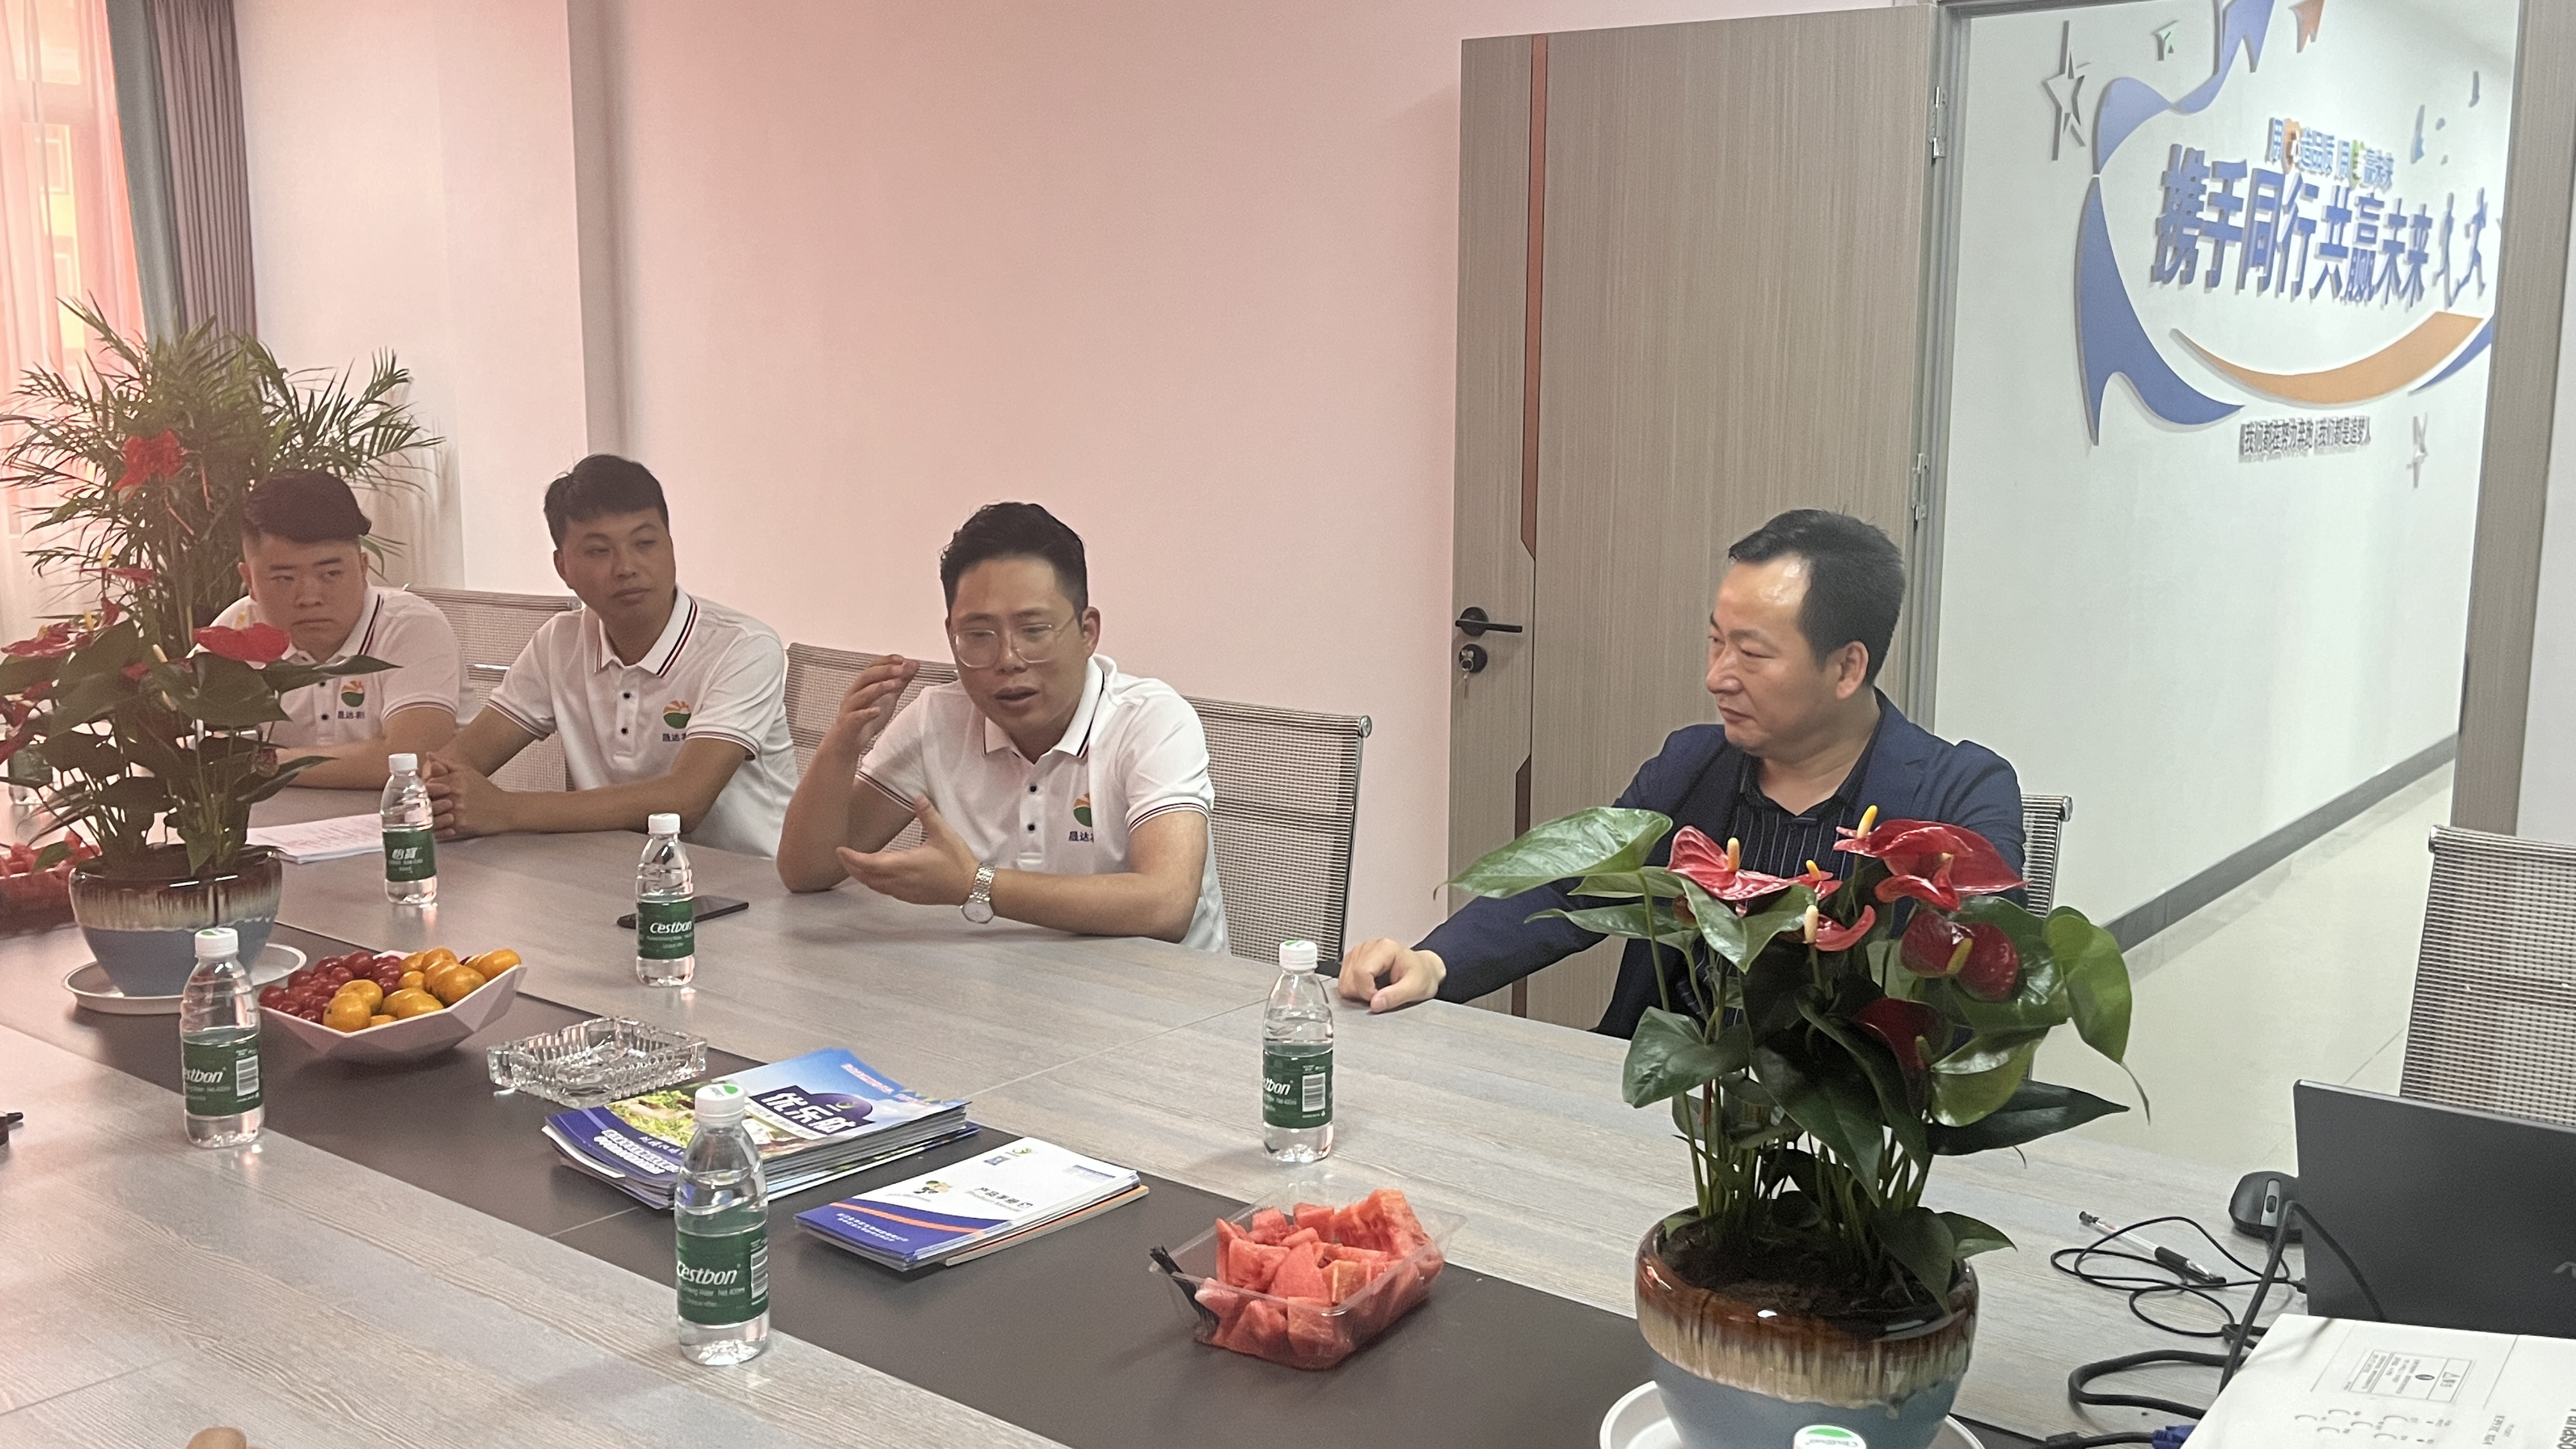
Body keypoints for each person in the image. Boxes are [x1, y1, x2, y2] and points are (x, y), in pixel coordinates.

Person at [1338, 508, 2024, 1035]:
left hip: (1842, 1136)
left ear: (1848, 667)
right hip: (1665, 1112)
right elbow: (1575, 887)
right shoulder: (1693, 764)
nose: (1717, 676)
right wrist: (1434, 962)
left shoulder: (1961, 793)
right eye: (1715, 642)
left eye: (1751, 653)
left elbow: (1976, 990)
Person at [776, 502, 1229, 951]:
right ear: (951, 635)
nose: (1008, 660)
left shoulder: (1151, 720)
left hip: (1158, 991)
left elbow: (1166, 905)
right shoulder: (938, 717)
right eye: (979, 636)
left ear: (1087, 631)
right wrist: (842, 747)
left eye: (1034, 631)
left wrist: (975, 884)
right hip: (1000, 983)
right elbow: (807, 873)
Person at [423, 454, 799, 857]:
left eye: (645, 544)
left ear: (671, 546)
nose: (626, 567)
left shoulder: (743, 646)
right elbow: (457, 762)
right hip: (612, 872)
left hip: (751, 881)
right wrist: (440, 787)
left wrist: (507, 810)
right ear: (563, 567)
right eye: (599, 551)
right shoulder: (560, 642)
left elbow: (685, 801)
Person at [208, 470, 462, 790]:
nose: (309, 598)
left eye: (330, 574)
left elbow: (409, 758)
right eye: (284, 578)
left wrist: (259, 764)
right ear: (250, 581)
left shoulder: (411, 626)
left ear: (363, 568)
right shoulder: (238, 629)